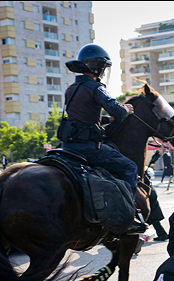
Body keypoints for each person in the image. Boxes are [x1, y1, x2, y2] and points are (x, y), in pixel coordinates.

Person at [59, 43, 145, 233]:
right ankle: (127, 215)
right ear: (97, 67)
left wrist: (108, 119)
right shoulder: (96, 88)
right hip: (89, 148)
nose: (104, 73)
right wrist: (126, 110)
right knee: (130, 167)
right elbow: (118, 111)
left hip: (67, 147)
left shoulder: (72, 88)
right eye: (104, 68)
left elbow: (83, 117)